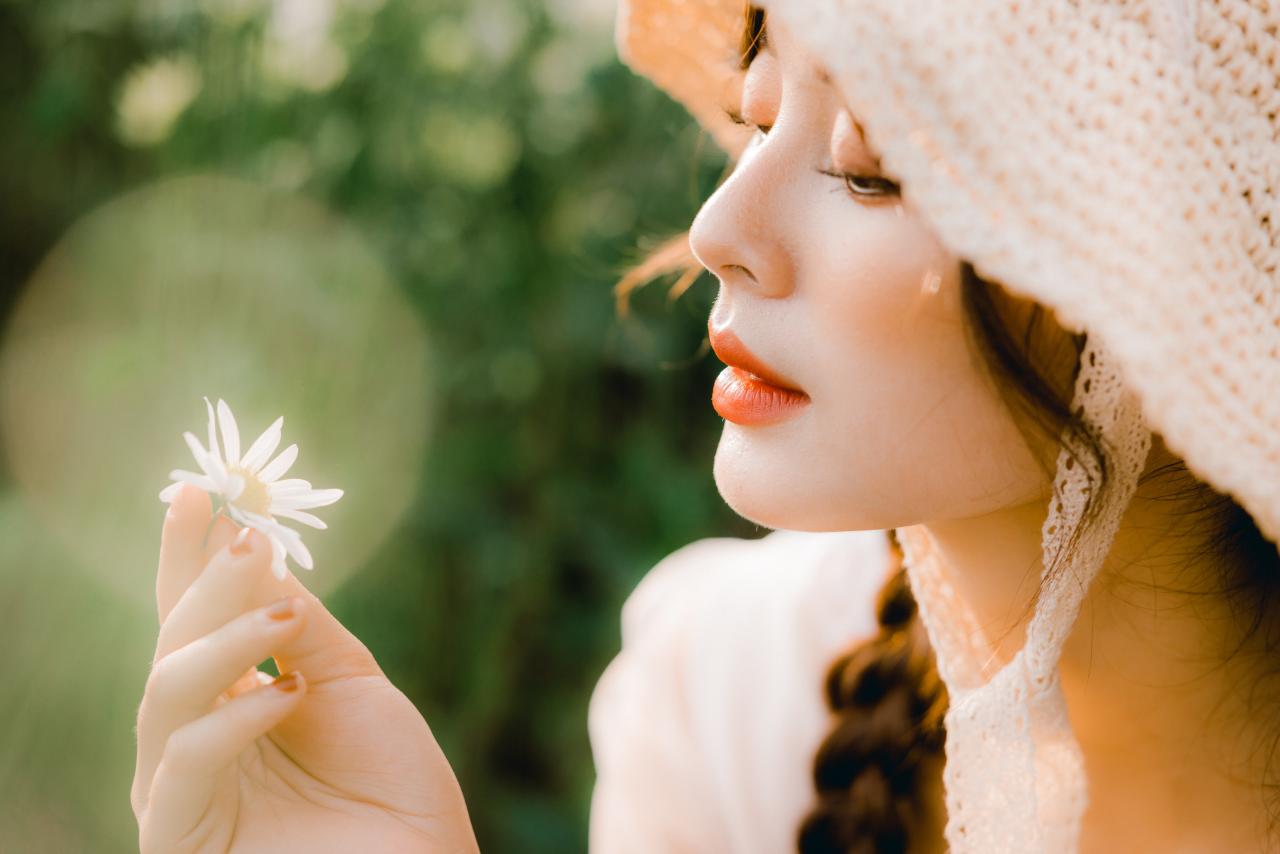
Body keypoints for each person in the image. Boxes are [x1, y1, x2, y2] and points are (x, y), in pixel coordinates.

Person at [131, 1, 1280, 852]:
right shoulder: (729, 690)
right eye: (755, 115)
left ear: (1198, 260)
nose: (719, 224)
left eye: (868, 166)